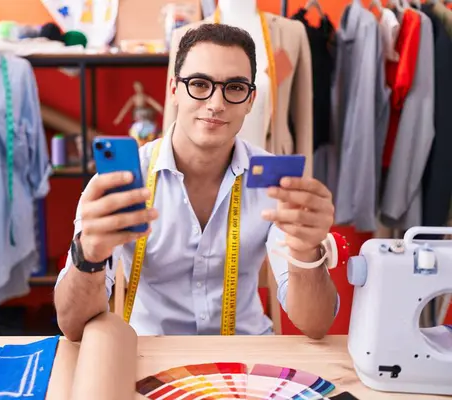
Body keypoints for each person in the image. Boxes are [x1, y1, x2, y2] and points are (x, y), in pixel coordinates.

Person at [54, 23, 339, 341]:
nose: (216, 104)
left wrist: (307, 253)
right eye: (200, 84)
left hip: (245, 353)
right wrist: (88, 254)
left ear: (250, 99)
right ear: (174, 90)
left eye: (234, 87)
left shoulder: (275, 182)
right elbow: (72, 325)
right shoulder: (119, 183)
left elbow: (315, 325)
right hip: (150, 353)